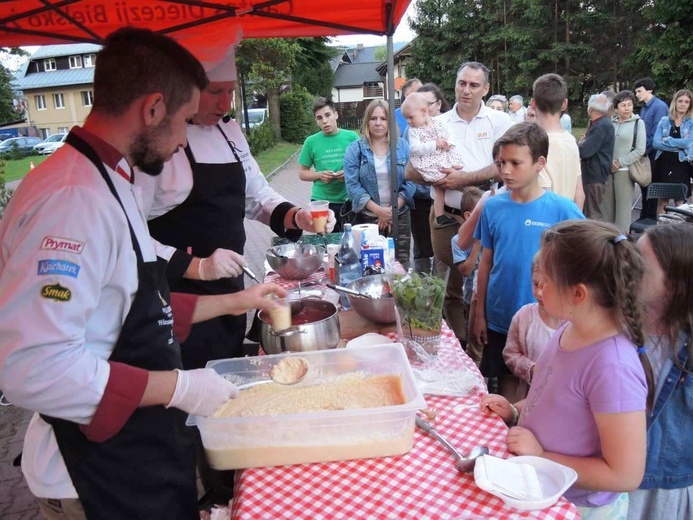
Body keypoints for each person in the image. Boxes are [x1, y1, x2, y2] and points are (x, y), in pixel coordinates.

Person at [0, 28, 286, 520]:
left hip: (135, 453)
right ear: (153, 108)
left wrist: (237, 301)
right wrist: (181, 388)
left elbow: (132, 305)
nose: (182, 141)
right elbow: (34, 369)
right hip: (90, 475)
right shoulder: (72, 201)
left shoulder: (111, 178)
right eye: (181, 122)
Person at [138, 40, 335, 368]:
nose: (225, 103)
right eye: (215, 91)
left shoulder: (229, 132)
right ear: (184, 89)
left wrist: (297, 216)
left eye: (230, 91)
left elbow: (258, 198)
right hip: (175, 297)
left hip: (230, 290)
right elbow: (130, 236)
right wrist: (198, 267)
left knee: (226, 369)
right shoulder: (158, 143)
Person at [482, 220, 651, 519]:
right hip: (538, 484)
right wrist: (515, 410)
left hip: (578, 507)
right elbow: (552, 399)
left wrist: (542, 457)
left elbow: (625, 474)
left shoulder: (613, 367)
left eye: (546, 280)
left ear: (578, 294)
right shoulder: (567, 328)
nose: (538, 287)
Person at [405, 61, 514, 347]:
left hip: (488, 215)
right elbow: (410, 170)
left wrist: (465, 178)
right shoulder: (437, 122)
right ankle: (459, 347)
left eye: (474, 85)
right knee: (450, 289)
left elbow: (506, 165)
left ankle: (484, 349)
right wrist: (439, 179)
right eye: (462, 83)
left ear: (486, 89)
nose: (466, 90)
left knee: (485, 286)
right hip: (446, 218)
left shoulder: (500, 122)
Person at [473, 123, 583, 398]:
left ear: (539, 163)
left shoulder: (563, 209)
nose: (506, 171)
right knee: (506, 384)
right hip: (500, 316)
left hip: (547, 321)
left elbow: (584, 263)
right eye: (501, 163)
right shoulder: (492, 206)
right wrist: (479, 313)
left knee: (544, 387)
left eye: (515, 163)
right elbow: (485, 261)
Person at [628, 224, 693, 520]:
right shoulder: (618, 330)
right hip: (611, 476)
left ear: (677, 282)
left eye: (641, 264)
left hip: (663, 489)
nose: (629, 268)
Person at [343, 99, 416, 263]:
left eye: (383, 119)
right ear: (367, 121)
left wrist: (391, 210)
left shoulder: (403, 146)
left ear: (390, 121)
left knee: (400, 266)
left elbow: (411, 181)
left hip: (399, 216)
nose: (378, 123)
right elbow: (352, 186)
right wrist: (379, 211)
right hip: (367, 219)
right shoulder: (355, 149)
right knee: (372, 266)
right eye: (373, 118)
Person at [502, 253, 561, 401]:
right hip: (528, 398)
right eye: (535, 284)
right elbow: (510, 354)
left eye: (547, 285)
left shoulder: (573, 323)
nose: (539, 292)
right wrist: (532, 369)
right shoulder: (524, 317)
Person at [401, 92, 463, 229]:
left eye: (411, 117)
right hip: (427, 161)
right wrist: (434, 144)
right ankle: (440, 216)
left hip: (441, 156)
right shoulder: (413, 130)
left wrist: (449, 143)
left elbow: (450, 134)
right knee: (439, 187)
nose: (408, 121)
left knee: (454, 174)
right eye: (406, 118)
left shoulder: (440, 122)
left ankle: (442, 214)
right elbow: (415, 148)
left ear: (424, 111)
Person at [298, 96, 359, 233]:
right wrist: (320, 175)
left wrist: (349, 174)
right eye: (319, 118)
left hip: (348, 199)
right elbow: (302, 173)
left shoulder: (352, 137)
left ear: (335, 115)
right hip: (322, 201)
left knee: (348, 243)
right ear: (316, 121)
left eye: (327, 115)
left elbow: (363, 166)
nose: (324, 121)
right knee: (325, 244)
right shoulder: (311, 141)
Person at [409, 83, 450, 261]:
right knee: (423, 252)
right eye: (420, 106)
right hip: (420, 199)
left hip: (450, 200)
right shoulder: (412, 130)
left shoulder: (447, 125)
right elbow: (408, 164)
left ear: (439, 105)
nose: (424, 110)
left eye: (428, 104)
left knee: (446, 254)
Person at [532, 73, 585, 210]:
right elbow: (579, 194)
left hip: (544, 224)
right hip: (568, 221)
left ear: (533, 103)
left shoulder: (535, 143)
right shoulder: (571, 140)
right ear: (564, 104)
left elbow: (543, 196)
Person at [604, 90, 646, 232]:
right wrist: (609, 163)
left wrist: (620, 162)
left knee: (623, 213)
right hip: (608, 171)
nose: (627, 108)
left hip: (625, 171)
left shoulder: (638, 123)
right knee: (606, 211)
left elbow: (640, 150)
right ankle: (607, 243)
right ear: (616, 108)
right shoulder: (610, 123)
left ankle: (622, 245)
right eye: (623, 105)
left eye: (629, 104)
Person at [450, 187, 483, 355]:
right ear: (469, 217)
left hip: (491, 298)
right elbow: (466, 270)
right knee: (475, 339)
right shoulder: (457, 241)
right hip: (471, 298)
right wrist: (477, 244)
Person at [652, 89, 693, 214]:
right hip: (663, 163)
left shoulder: (691, 123)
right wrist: (678, 145)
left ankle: (678, 232)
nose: (683, 104)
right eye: (680, 101)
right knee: (662, 201)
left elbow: (688, 143)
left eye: (686, 102)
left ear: (690, 105)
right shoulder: (664, 121)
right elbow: (656, 143)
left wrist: (667, 140)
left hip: (681, 164)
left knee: (679, 202)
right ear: (675, 102)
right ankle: (660, 231)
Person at [634, 78, 669, 219]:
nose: (637, 94)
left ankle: (650, 218)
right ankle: (644, 215)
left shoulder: (659, 107)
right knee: (644, 186)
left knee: (651, 187)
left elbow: (656, 134)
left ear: (649, 90)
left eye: (639, 91)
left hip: (653, 153)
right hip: (644, 151)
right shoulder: (644, 107)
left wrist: (642, 150)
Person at [578, 93, 615, 220]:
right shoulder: (599, 124)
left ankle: (594, 239)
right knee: (590, 210)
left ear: (591, 109)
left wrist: (580, 143)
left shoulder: (601, 126)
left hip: (594, 175)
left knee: (592, 213)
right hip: (594, 174)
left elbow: (585, 150)